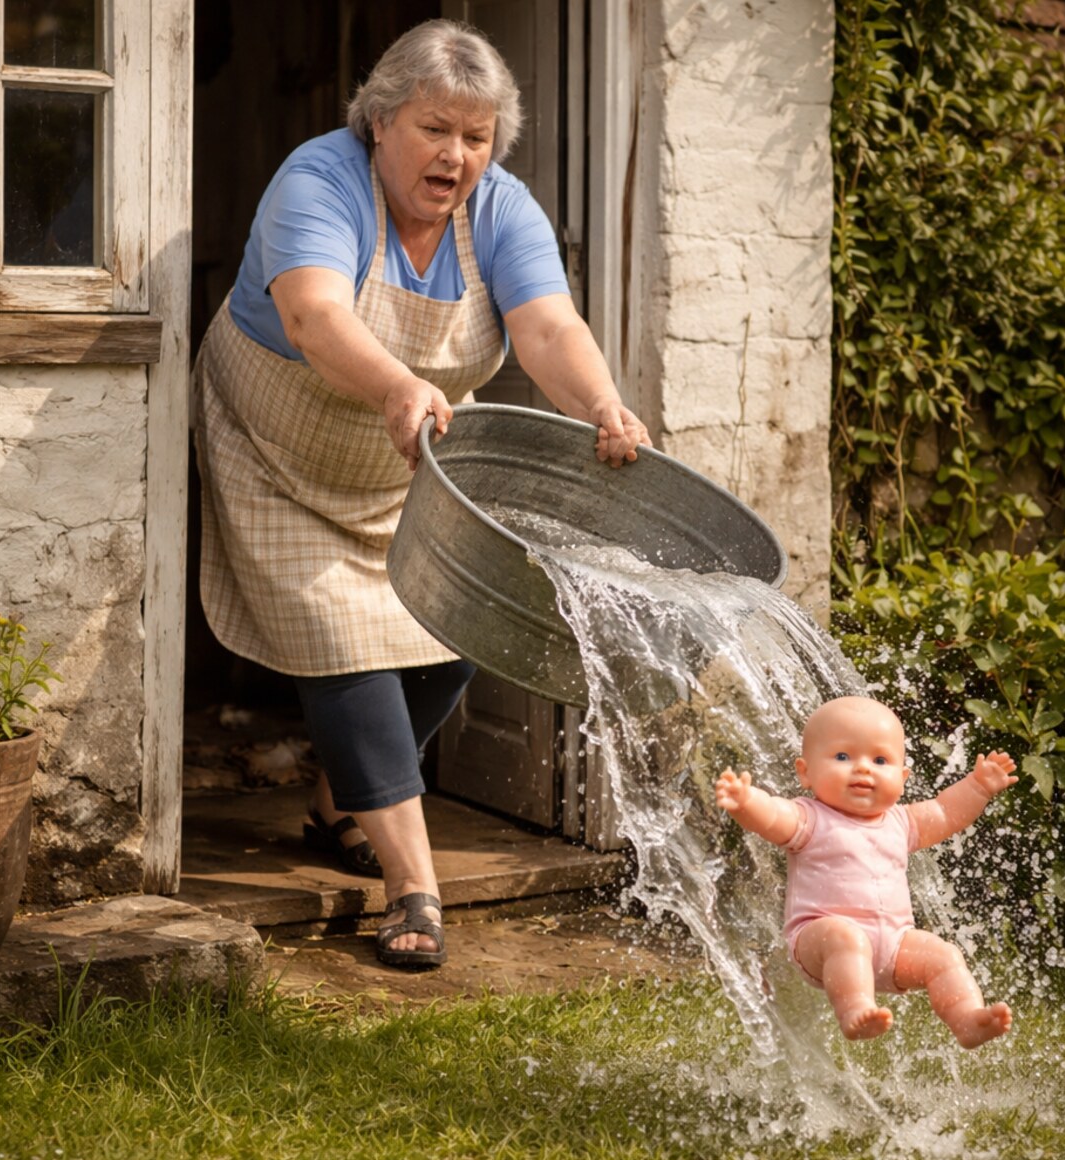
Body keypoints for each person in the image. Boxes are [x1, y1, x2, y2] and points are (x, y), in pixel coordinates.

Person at [192, 19, 651, 970]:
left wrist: (604, 401)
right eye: (436, 128)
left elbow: (548, 329)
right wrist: (400, 384)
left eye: (477, 137)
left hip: (411, 460)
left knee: (465, 622)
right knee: (342, 643)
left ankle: (336, 806)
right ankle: (414, 886)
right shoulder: (319, 181)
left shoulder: (500, 212)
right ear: (380, 120)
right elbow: (314, 315)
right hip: (277, 449)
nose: (457, 155)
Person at [714, 695, 1016, 1048]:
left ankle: (967, 1019)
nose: (863, 769)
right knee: (847, 938)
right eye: (842, 757)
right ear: (805, 771)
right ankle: (856, 1008)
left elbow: (946, 813)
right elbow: (774, 817)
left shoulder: (901, 822)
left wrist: (977, 787)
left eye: (880, 760)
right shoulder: (810, 817)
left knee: (943, 955)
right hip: (820, 941)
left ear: (902, 777)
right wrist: (747, 802)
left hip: (893, 945)